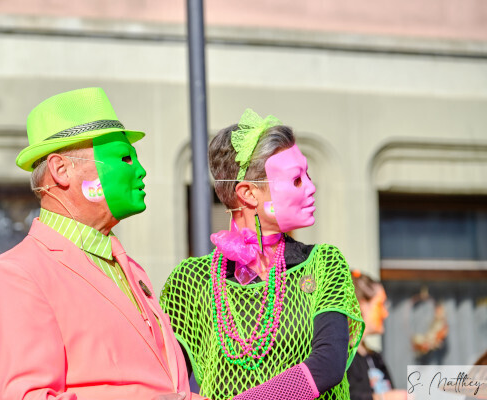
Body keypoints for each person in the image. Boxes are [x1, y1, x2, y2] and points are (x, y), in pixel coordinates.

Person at [0, 88, 205, 400]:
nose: (140, 171)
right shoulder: (16, 274)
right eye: (125, 157)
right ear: (61, 170)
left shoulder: (129, 267)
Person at [160, 109, 365, 400]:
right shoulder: (191, 280)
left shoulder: (324, 263)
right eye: (296, 180)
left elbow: (327, 365)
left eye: (307, 175)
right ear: (248, 193)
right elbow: (164, 377)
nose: (311, 187)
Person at [347, 270, 406, 400]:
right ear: (361, 305)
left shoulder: (375, 358)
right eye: (380, 304)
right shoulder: (342, 358)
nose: (385, 313)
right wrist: (382, 398)